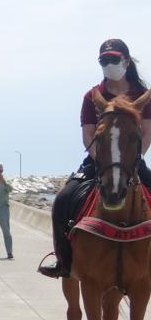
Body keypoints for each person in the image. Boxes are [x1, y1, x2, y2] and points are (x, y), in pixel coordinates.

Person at [40, 38, 151, 278]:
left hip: (132, 161)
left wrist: (131, 161)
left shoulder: (142, 95)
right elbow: (88, 134)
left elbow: (147, 132)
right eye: (104, 60)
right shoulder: (92, 96)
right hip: (99, 160)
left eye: (113, 59)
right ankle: (63, 261)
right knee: (63, 199)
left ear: (126, 61)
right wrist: (104, 160)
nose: (108, 64)